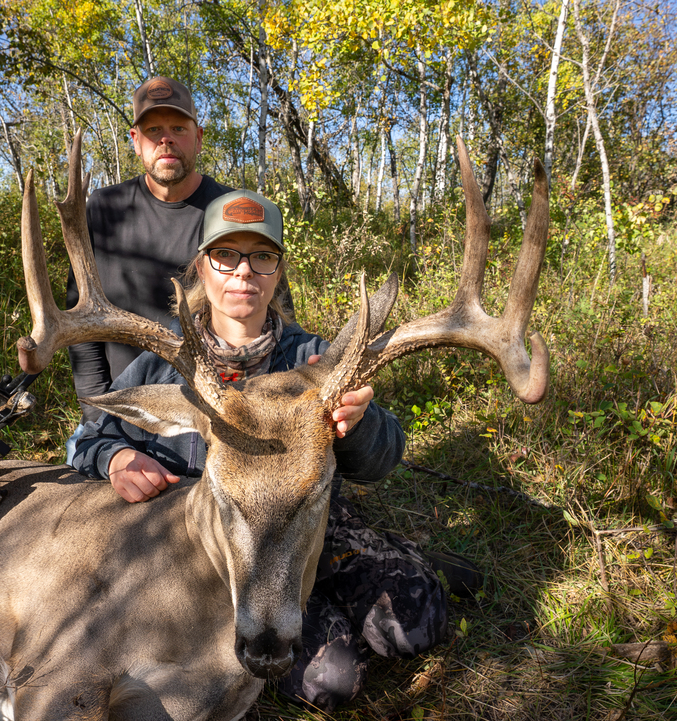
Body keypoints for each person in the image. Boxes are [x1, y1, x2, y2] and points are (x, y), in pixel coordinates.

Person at [73, 189, 482, 709]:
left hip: (311, 527)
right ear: (203, 267)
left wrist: (356, 425)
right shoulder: (165, 365)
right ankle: (344, 587)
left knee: (417, 624)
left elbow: (383, 459)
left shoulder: (317, 359)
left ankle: (385, 564)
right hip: (220, 551)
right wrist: (116, 458)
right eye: (227, 255)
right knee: (332, 682)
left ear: (277, 271)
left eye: (262, 257)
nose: (244, 271)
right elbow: (89, 436)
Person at [64, 76, 232, 466]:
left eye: (178, 128)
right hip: (124, 414)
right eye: (153, 130)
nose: (166, 139)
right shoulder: (103, 210)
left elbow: (273, 320)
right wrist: (104, 426)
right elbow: (82, 331)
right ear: (136, 139)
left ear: (198, 136)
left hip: (211, 416)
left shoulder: (232, 211)